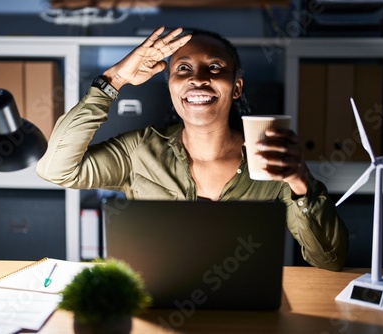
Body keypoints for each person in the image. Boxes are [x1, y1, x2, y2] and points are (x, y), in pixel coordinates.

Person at [36, 26, 349, 271]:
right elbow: (56, 169)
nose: (198, 79)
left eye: (214, 67)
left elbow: (329, 260)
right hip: (159, 311)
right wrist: (113, 79)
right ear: (171, 85)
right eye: (183, 69)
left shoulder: (272, 157)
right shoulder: (138, 152)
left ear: (236, 87)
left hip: (246, 315)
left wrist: (298, 185)